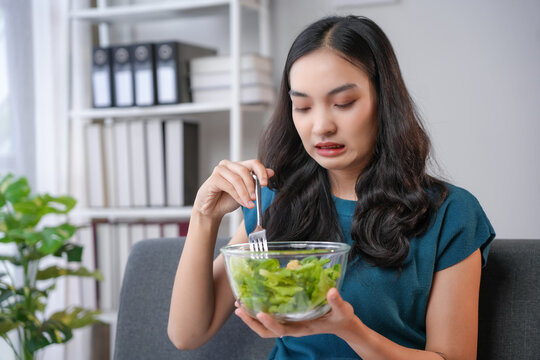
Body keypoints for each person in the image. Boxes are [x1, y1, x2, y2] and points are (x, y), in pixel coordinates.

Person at [168, 15, 495, 360]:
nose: (321, 126)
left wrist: (348, 330)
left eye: (343, 104)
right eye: (303, 106)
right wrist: (204, 217)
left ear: (384, 102)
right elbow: (187, 333)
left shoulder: (449, 214)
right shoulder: (275, 200)